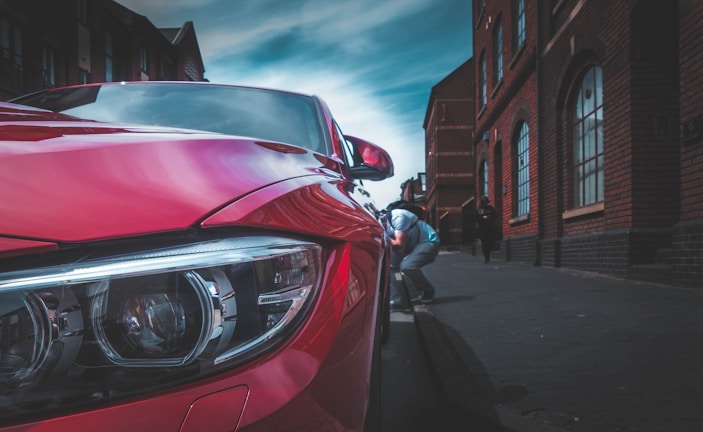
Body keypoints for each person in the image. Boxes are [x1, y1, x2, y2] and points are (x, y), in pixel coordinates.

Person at [384, 206, 440, 305]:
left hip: (428, 242)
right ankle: (396, 300)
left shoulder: (398, 217)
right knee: (390, 267)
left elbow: (399, 246)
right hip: (411, 245)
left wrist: (383, 238)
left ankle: (428, 290)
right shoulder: (384, 225)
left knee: (407, 266)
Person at [475, 195, 498, 263]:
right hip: (482, 228)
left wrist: (490, 217)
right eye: (484, 202)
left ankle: (489, 252)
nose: (485, 204)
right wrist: (483, 217)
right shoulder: (480, 209)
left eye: (486, 202)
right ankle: (486, 257)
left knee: (491, 242)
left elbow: (495, 216)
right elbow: (477, 218)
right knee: (484, 243)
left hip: (490, 227)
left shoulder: (490, 208)